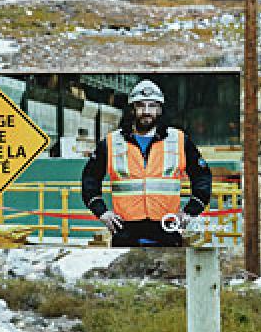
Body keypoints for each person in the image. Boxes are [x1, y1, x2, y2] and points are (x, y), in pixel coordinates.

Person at [80, 79, 212, 247]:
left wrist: (190, 211)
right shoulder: (111, 142)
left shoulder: (178, 140)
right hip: (125, 230)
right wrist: (102, 212)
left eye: (152, 106)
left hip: (167, 228)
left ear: (159, 109)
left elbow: (202, 176)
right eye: (141, 106)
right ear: (132, 109)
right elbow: (90, 178)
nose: (146, 111)